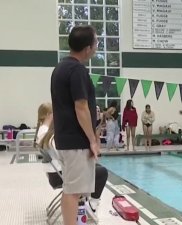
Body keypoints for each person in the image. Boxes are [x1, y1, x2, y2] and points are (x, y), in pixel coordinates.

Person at [50, 25, 100, 225]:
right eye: (96, 42)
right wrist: (92, 140)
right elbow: (81, 107)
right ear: (87, 48)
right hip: (76, 141)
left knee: (71, 190)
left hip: (65, 138)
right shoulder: (77, 70)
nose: (96, 46)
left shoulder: (60, 68)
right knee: (73, 192)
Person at [35, 103, 107, 222]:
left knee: (95, 168)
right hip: (60, 176)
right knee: (102, 172)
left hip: (54, 174)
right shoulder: (53, 138)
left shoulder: (44, 132)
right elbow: (67, 158)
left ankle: (90, 202)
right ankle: (93, 205)